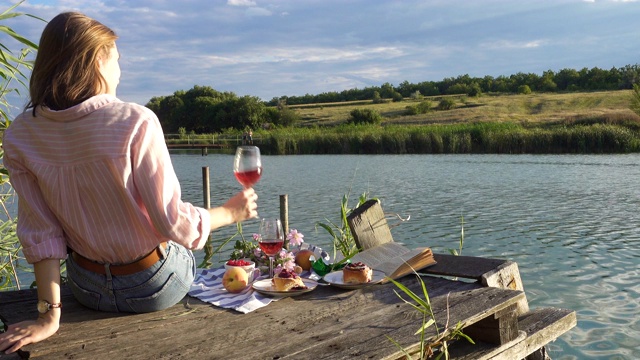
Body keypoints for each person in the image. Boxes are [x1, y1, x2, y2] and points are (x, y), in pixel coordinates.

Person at [0, 12, 258, 354]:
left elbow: (41, 233)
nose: (119, 72)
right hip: (153, 287)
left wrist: (49, 317)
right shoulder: (135, 121)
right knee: (179, 247)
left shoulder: (20, 134)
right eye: (117, 61)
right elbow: (176, 225)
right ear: (97, 60)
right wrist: (230, 212)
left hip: (86, 287)